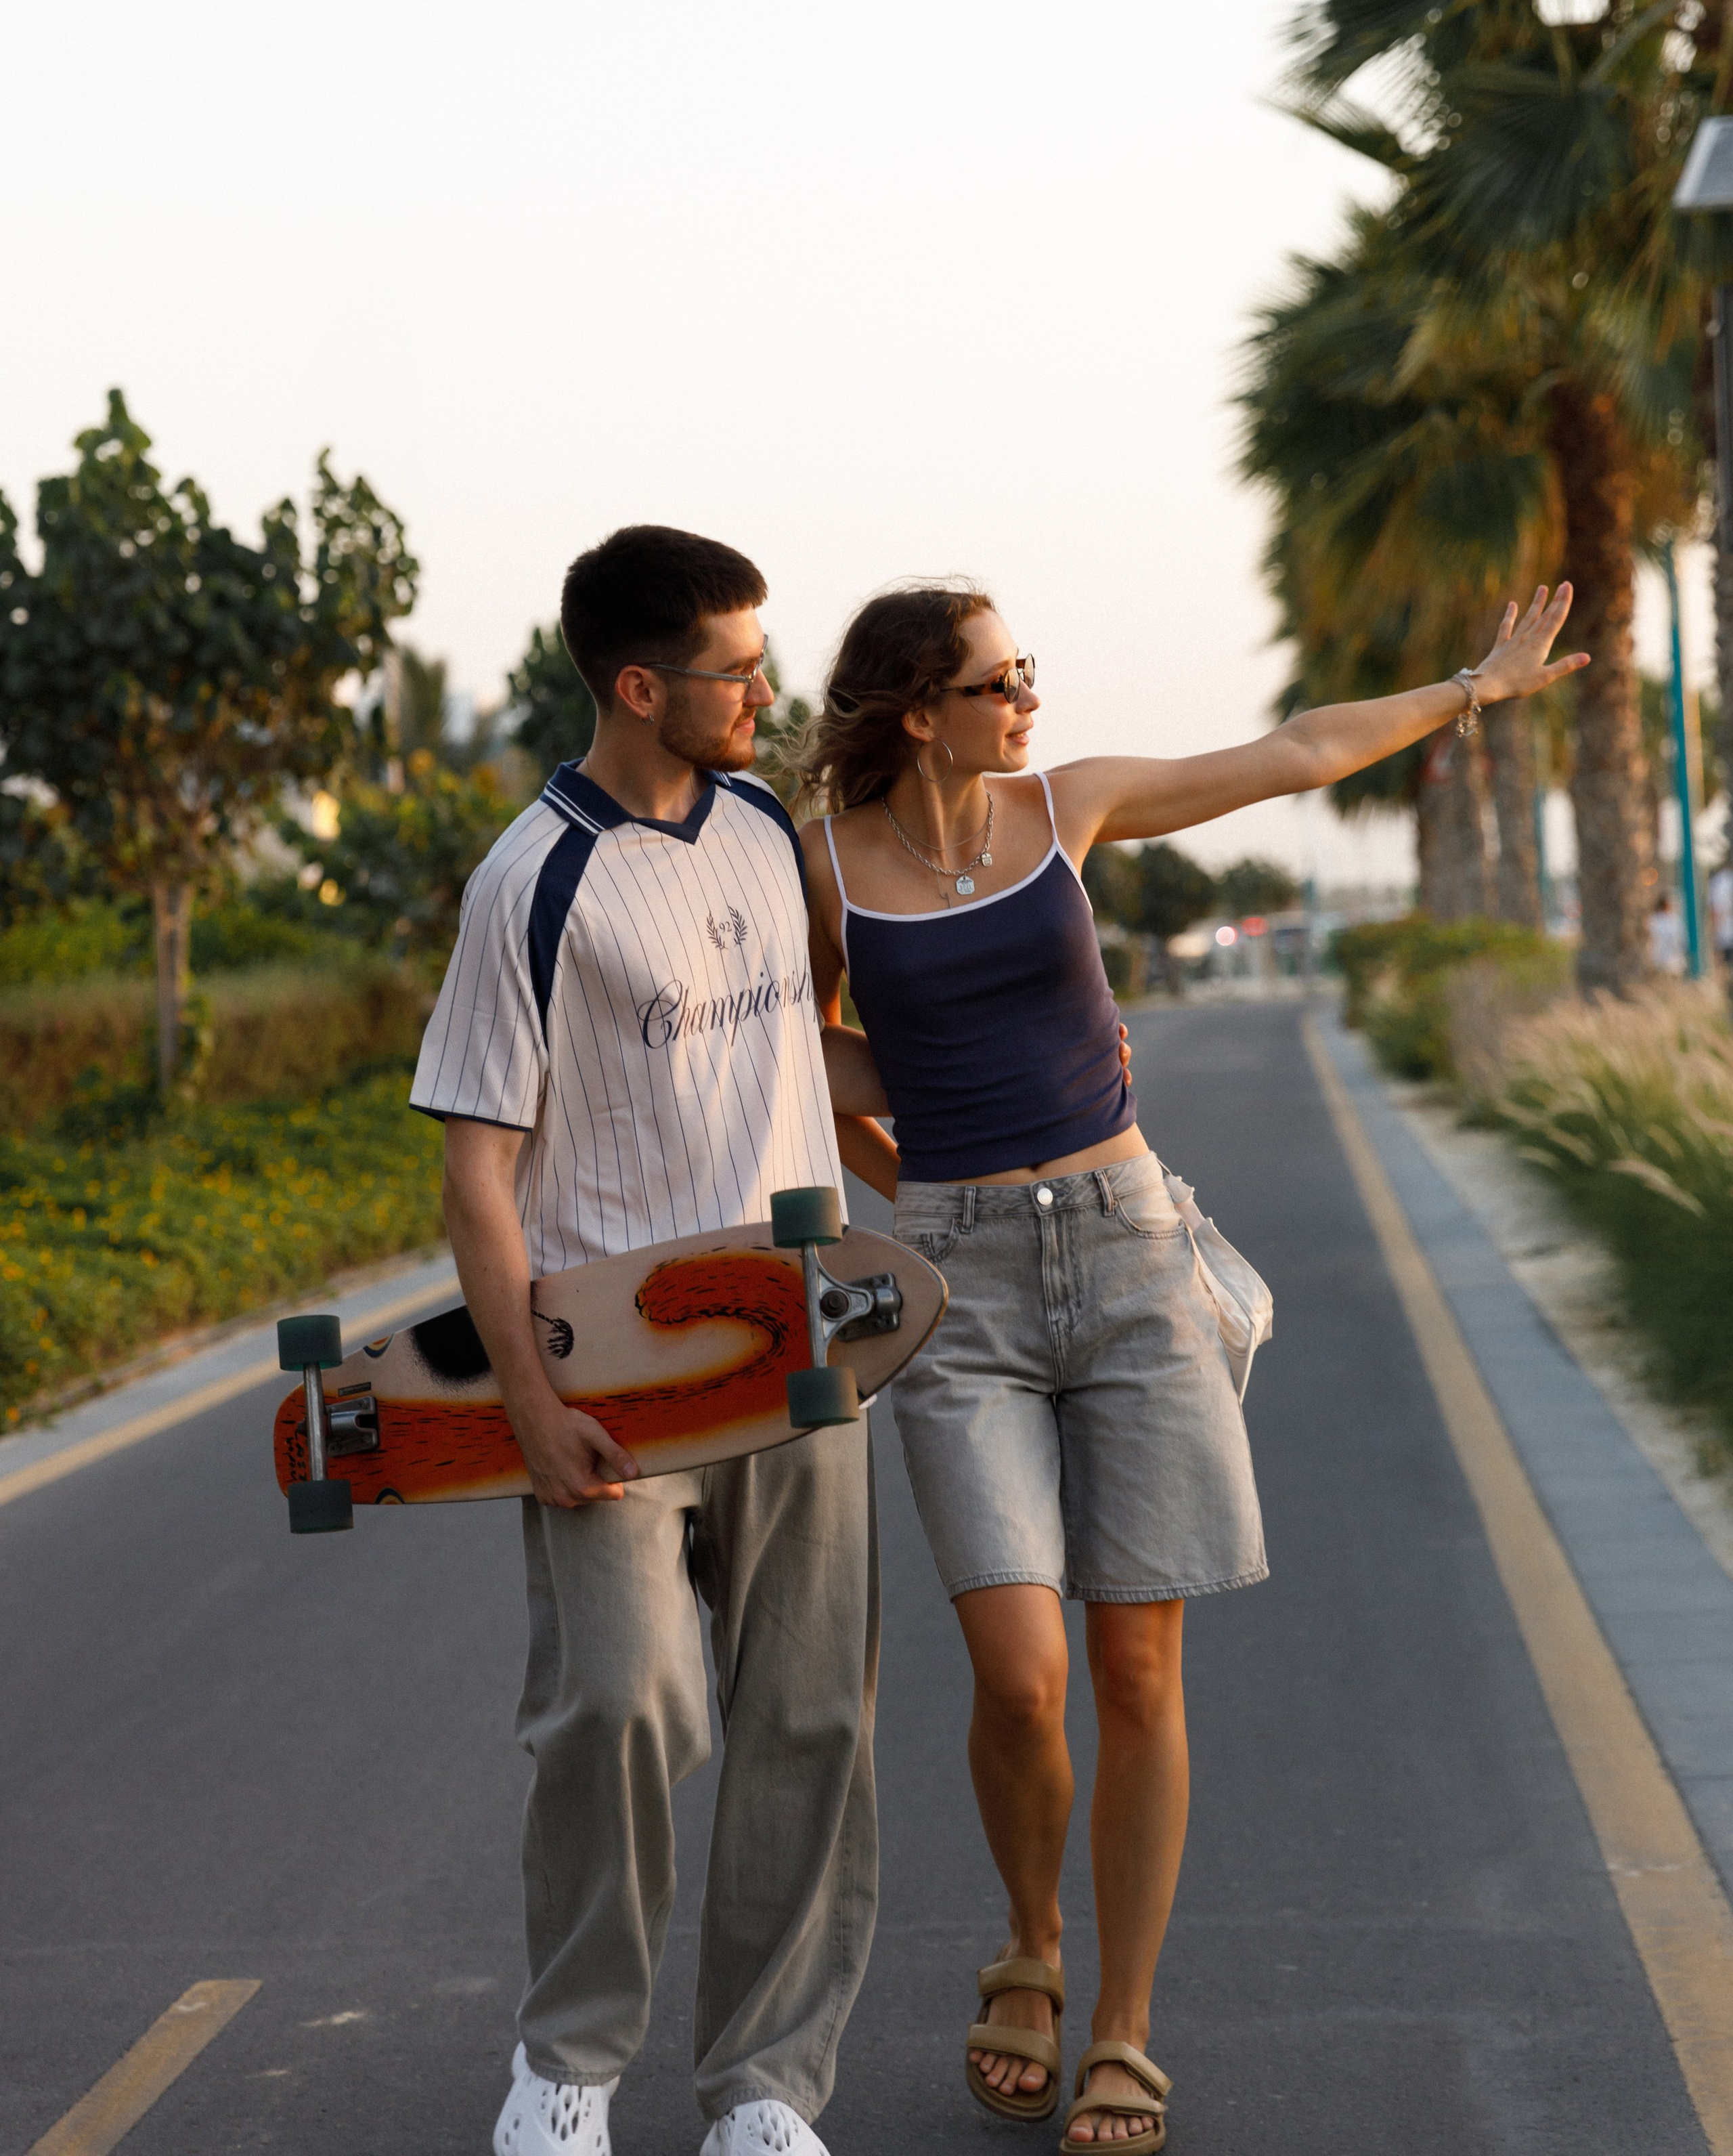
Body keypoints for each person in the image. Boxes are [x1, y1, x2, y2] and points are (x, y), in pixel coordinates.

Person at [797, 578, 1586, 2153]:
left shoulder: (1066, 806)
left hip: (1131, 1249)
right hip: (963, 1286)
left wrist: (1469, 690)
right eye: (996, 680)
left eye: (1028, 672)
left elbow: (1290, 753)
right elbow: (800, 1055)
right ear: (910, 708)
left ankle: (1121, 2026)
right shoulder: (823, 868)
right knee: (1019, 1677)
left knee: (1134, 1668)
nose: (1028, 698)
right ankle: (1029, 1936)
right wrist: (921, 1196)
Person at [413, 525, 890, 2156]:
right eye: (734, 671)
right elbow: (477, 1166)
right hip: (611, 1367)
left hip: (802, 1342)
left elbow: (808, 1048)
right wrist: (530, 1404)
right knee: (620, 1704)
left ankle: (764, 2088)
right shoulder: (529, 879)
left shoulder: (767, 823)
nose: (766, 692)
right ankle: (566, 2069)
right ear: (637, 685)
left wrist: (932, 1145)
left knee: (810, 1718)